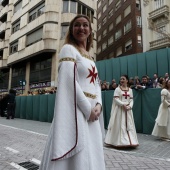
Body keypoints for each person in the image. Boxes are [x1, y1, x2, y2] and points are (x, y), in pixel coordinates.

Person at [39, 15, 105, 170]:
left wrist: (99, 105)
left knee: (92, 152)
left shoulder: (90, 57)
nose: (81, 28)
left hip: (92, 113)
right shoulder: (68, 49)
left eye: (85, 25)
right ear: (71, 30)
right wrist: (87, 110)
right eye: (77, 25)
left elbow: (96, 84)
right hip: (75, 110)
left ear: (90, 31)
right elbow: (68, 82)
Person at [105, 75, 139, 148]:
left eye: (123, 79)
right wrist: (123, 104)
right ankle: (119, 142)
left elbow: (131, 100)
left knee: (129, 125)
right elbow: (116, 99)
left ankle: (131, 141)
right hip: (120, 110)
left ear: (127, 80)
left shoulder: (130, 90)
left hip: (128, 110)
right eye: (121, 79)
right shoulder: (117, 89)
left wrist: (129, 106)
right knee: (120, 125)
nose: (121, 80)